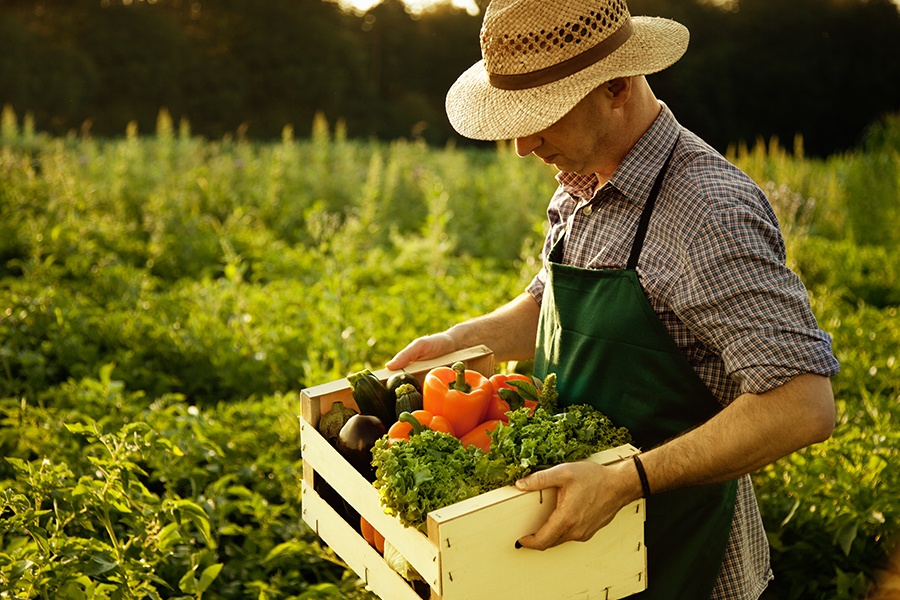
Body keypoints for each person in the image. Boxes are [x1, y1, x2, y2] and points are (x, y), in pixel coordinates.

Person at [386, 0, 840, 597]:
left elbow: (802, 404)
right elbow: (548, 304)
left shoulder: (706, 211)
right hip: (577, 552)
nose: (522, 145)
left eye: (540, 114)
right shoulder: (580, 181)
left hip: (678, 554)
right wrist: (459, 342)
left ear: (618, 85)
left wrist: (628, 480)